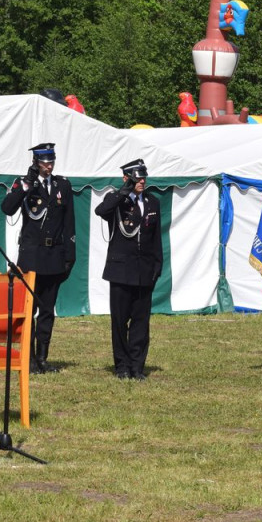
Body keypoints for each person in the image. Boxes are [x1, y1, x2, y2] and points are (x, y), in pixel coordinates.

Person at [0, 142, 75, 374]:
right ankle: (29, 358)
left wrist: (69, 255)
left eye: (51, 161)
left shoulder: (62, 184)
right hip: (31, 256)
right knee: (28, 309)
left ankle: (43, 357)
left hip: (54, 255)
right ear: (36, 163)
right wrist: (26, 185)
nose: (49, 166)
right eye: (44, 162)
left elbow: (69, 222)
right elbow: (7, 208)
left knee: (47, 309)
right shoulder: (24, 184)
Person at [95, 159, 162, 380]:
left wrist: (157, 265)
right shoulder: (116, 200)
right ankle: (122, 365)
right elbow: (101, 211)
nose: (142, 181)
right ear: (126, 178)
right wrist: (123, 192)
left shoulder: (152, 202)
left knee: (141, 321)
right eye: (137, 177)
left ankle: (137, 366)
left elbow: (155, 238)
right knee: (120, 320)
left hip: (144, 270)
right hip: (121, 270)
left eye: (144, 177)